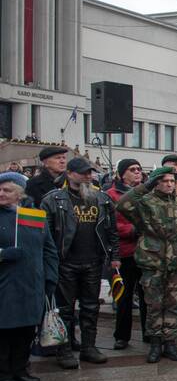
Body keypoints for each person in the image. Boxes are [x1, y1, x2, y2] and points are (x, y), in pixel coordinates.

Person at [41, 157, 119, 368]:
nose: (88, 176)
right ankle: (64, 350)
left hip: (93, 261)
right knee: (65, 309)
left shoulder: (101, 199)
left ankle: (88, 347)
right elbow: (45, 235)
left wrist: (115, 257)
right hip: (65, 262)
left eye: (90, 172)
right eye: (84, 172)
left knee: (91, 306)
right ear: (70, 173)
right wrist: (49, 262)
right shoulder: (53, 200)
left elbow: (112, 231)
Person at [117, 167, 177, 363]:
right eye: (164, 181)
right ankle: (155, 343)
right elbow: (122, 204)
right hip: (152, 261)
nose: (169, 184)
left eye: (172, 181)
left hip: (176, 262)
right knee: (154, 305)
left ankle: (170, 342)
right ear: (156, 183)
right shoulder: (145, 203)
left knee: (173, 304)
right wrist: (145, 186)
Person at [0, 172, 58, 381]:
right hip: (5, 284)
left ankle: (20, 368)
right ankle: (3, 372)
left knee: (26, 331)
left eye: (7, 190)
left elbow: (49, 249)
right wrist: (3, 254)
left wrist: (51, 276)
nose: (1, 193)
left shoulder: (33, 216)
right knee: (5, 331)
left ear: (19, 194)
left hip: (32, 283)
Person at [106, 159, 145, 350]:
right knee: (124, 297)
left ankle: (149, 333)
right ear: (122, 174)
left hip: (146, 253)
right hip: (124, 253)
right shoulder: (111, 195)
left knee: (147, 297)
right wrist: (132, 229)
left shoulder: (147, 193)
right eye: (132, 170)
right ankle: (122, 336)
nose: (137, 172)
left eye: (139, 169)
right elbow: (110, 224)